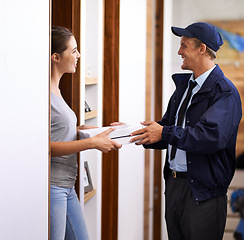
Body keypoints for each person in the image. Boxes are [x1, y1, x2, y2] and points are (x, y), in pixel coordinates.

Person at [131, 22, 242, 240]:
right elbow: (167, 128)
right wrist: (129, 132)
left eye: (184, 46)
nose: (179, 51)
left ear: (202, 49)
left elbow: (209, 137)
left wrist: (164, 133)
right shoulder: (184, 88)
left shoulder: (226, 93)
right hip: (175, 187)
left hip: (204, 194)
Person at [50, 26, 121, 240]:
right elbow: (46, 146)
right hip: (53, 187)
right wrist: (92, 143)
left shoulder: (57, 90)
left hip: (67, 186)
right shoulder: (43, 95)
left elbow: (57, 131)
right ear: (55, 57)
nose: (78, 55)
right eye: (73, 51)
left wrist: (83, 132)